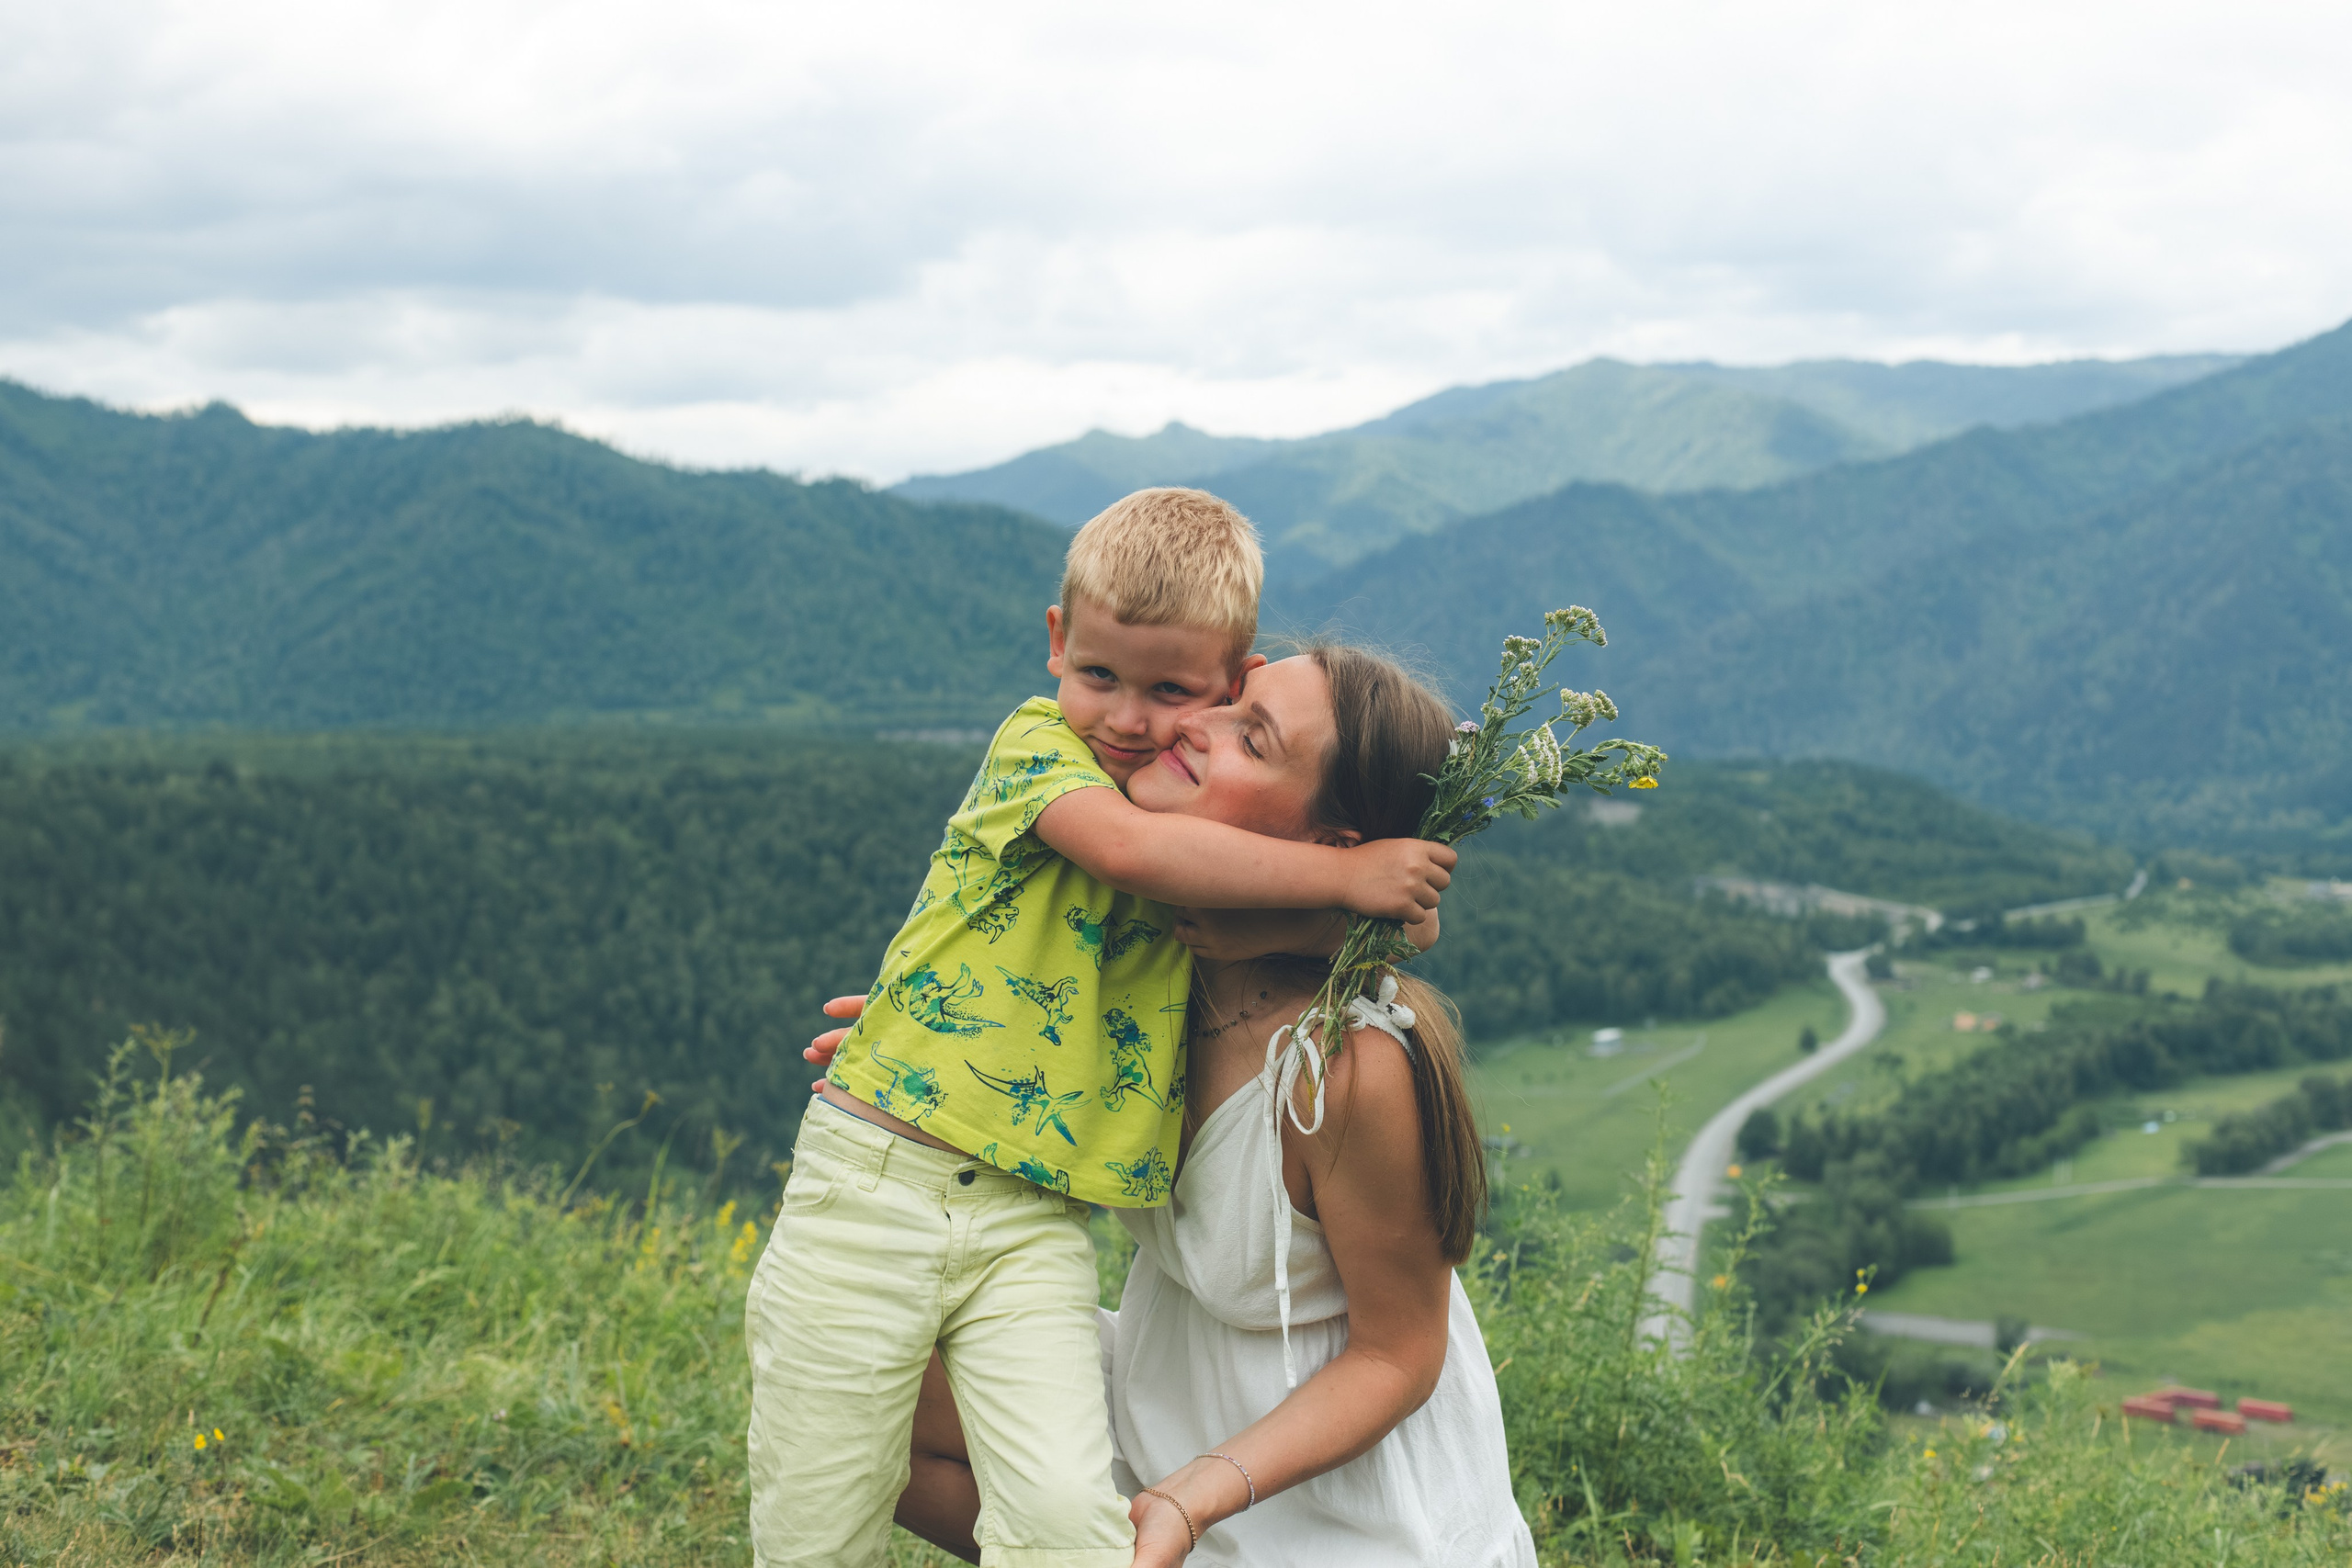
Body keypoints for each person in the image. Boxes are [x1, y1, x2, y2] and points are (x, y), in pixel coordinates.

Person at [745, 490, 1457, 1568]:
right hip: (942, 1207)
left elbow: (1401, 1350)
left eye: (1221, 710)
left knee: (1050, 1521)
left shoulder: (1344, 1061)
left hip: (1317, 1497)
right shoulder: (1065, 778)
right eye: (1104, 678)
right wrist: (935, 1043)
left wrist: (1367, 897)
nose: (1155, 725)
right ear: (1056, 645)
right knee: (829, 1471)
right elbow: (1136, 866)